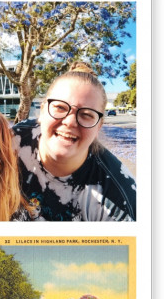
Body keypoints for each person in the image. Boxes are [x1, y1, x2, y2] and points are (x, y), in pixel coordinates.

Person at [13, 62, 136, 221]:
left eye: (86, 114)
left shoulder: (118, 199)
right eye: (60, 108)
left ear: (99, 126)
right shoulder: (9, 142)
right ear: (42, 111)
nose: (70, 122)